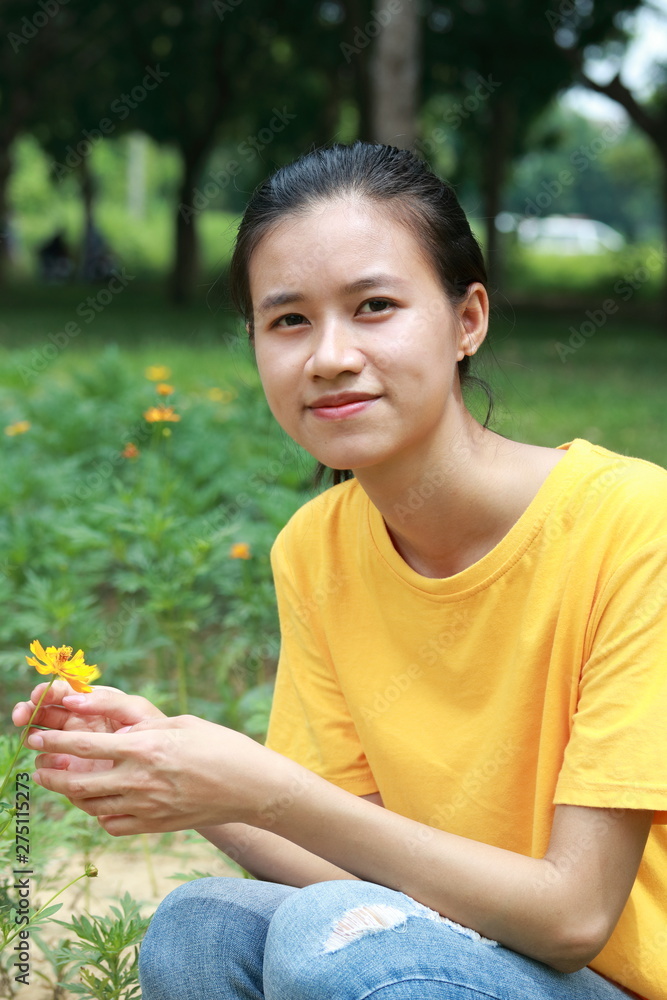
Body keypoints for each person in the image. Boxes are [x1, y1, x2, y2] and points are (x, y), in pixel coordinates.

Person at [13, 142, 667, 1000]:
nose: (328, 356)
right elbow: (342, 855)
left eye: (374, 306)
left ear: (467, 319)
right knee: (201, 925)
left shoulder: (632, 525)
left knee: (332, 937)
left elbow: (575, 916)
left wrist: (269, 788)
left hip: (606, 976)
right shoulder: (315, 546)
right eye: (288, 321)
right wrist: (198, 780)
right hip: (436, 951)